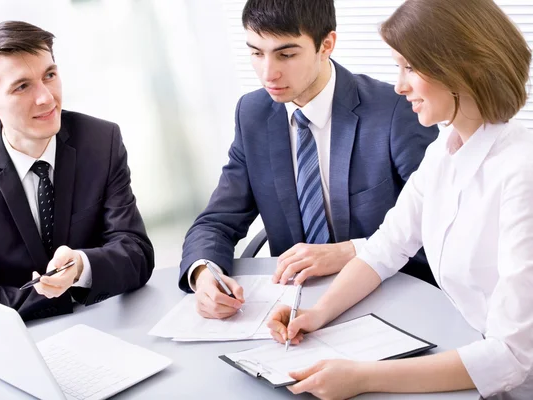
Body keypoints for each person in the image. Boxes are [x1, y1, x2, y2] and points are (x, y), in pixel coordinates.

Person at [267, 0, 533, 398]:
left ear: (462, 68)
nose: (399, 85)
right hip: (468, 353)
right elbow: (384, 249)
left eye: (410, 67)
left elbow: (510, 355)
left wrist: (361, 377)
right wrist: (316, 314)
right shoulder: (446, 149)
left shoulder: (521, 171)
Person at [179, 0, 439, 319]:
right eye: (257, 53)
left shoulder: (395, 111)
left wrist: (351, 251)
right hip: (293, 308)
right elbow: (217, 220)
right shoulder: (253, 115)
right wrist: (204, 274)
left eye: (286, 55)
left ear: (326, 45)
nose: (268, 73)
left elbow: (441, 228)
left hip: (390, 301)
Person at [0, 21, 154, 321]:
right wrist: (54, 292)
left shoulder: (101, 142)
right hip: (25, 342)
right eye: (22, 86)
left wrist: (80, 266)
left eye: (49, 75)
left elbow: (137, 255)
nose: (47, 98)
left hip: (107, 323)